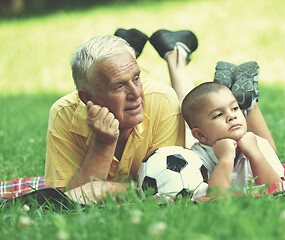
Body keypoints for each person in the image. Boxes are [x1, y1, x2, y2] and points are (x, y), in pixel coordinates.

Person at [44, 29, 199, 200]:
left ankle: (175, 53)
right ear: (87, 98)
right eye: (119, 86)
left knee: (192, 114)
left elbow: (167, 186)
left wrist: (104, 190)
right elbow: (69, 200)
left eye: (137, 78)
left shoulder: (161, 99)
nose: (136, 94)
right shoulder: (63, 114)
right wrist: (103, 143)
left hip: (189, 133)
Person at [162, 42, 285, 193]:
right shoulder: (197, 158)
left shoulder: (258, 144)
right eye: (219, 115)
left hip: (257, 149)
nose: (231, 117)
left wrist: (254, 153)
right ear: (200, 135)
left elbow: (278, 190)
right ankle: (238, 99)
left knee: (272, 151)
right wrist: (226, 158)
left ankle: (247, 103)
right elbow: (214, 197)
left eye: (235, 108)